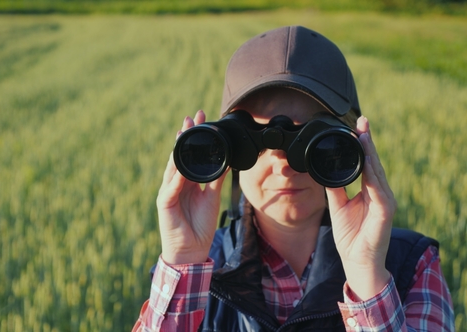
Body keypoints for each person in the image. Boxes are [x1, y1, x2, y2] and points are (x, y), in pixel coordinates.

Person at [133, 26, 454, 331]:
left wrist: (368, 276)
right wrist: (184, 261)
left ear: (352, 145)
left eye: (315, 143)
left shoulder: (411, 265)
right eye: (253, 141)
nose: (283, 164)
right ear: (228, 151)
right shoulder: (196, 271)